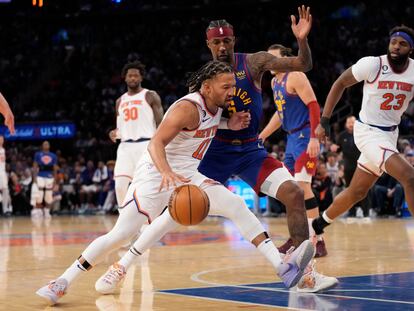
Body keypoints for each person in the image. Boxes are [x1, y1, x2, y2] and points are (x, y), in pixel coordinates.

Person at [36, 61, 315, 305]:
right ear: (206, 87)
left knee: (235, 204)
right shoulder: (186, 107)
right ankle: (61, 281)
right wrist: (167, 172)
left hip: (189, 175)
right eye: (226, 87)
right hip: (156, 175)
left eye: (232, 86)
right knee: (120, 234)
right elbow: (156, 141)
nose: (231, 92)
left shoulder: (217, 106)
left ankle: (282, 267)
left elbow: (209, 125)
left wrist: (231, 125)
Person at [197, 7, 337, 291]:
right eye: (217, 42)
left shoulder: (254, 62)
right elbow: (197, 118)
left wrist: (301, 40)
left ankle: (306, 275)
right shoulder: (202, 77)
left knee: (295, 192)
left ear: (234, 40)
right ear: (208, 44)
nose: (223, 46)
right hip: (217, 152)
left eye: (227, 41)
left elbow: (303, 64)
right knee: (175, 210)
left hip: (250, 151)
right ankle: (123, 263)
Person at [312, 25, 414, 236]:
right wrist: (325, 120)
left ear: (410, 49)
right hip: (367, 132)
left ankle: (318, 224)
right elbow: (340, 83)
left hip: (390, 134)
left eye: (402, 44)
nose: (396, 47)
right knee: (409, 177)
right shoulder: (373, 64)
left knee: (357, 191)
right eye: (393, 42)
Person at [258, 44, 327, 258]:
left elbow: (314, 105)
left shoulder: (295, 75)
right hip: (291, 138)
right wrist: (263, 134)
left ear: (286, 59)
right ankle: (297, 237)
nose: (269, 62)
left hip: (306, 135)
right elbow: (280, 114)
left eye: (273, 58)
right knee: (289, 190)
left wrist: (315, 138)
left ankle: (318, 240)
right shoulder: (274, 81)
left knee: (303, 186)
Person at [108, 61, 163, 207]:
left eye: (136, 76)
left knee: (145, 187)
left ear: (141, 78)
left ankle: (146, 223)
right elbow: (120, 128)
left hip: (146, 145)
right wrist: (114, 133)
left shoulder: (150, 95)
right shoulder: (120, 101)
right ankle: (123, 220)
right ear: (125, 78)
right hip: (125, 147)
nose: (133, 78)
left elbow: (160, 123)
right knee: (120, 186)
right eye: (130, 76)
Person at [31, 141, 58, 218]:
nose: (46, 145)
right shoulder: (38, 154)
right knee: (39, 194)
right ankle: (38, 210)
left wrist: (55, 179)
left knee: (49, 195)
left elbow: (55, 168)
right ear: (42, 146)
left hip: (49, 176)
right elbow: (35, 166)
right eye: (44, 144)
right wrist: (34, 178)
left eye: (47, 144)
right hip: (40, 176)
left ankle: (47, 211)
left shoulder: (53, 156)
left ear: (49, 146)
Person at [0, 135, 12, 216]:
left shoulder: (3, 149)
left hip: (2, 172)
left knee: (6, 190)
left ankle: (5, 209)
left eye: (2, 139)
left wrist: (5, 174)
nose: (1, 140)